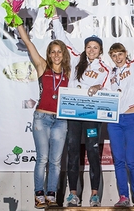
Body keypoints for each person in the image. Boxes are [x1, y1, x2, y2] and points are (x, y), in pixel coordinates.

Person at [51, 15, 111, 207]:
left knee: (93, 151)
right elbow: (62, 37)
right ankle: (73, 194)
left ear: (100, 50)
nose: (91, 50)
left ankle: (94, 195)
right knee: (73, 151)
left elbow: (110, 92)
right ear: (85, 48)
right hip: (73, 113)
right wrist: (54, 16)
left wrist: (99, 89)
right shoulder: (76, 59)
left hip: (92, 115)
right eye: (89, 46)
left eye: (95, 47)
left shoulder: (105, 69)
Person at [17, 24, 71, 209]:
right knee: (43, 158)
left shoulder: (68, 73)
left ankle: (51, 194)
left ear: (64, 54)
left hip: (61, 120)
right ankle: (38, 193)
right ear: (49, 54)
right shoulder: (42, 66)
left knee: (56, 161)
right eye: (53, 52)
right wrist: (16, 20)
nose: (56, 55)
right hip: (42, 118)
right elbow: (27, 42)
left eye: (59, 52)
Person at [107, 20, 134, 207]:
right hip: (114, 121)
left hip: (132, 118)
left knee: (131, 161)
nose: (118, 58)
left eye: (120, 54)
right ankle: (123, 197)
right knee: (118, 161)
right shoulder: (109, 74)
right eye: (114, 55)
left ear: (126, 54)